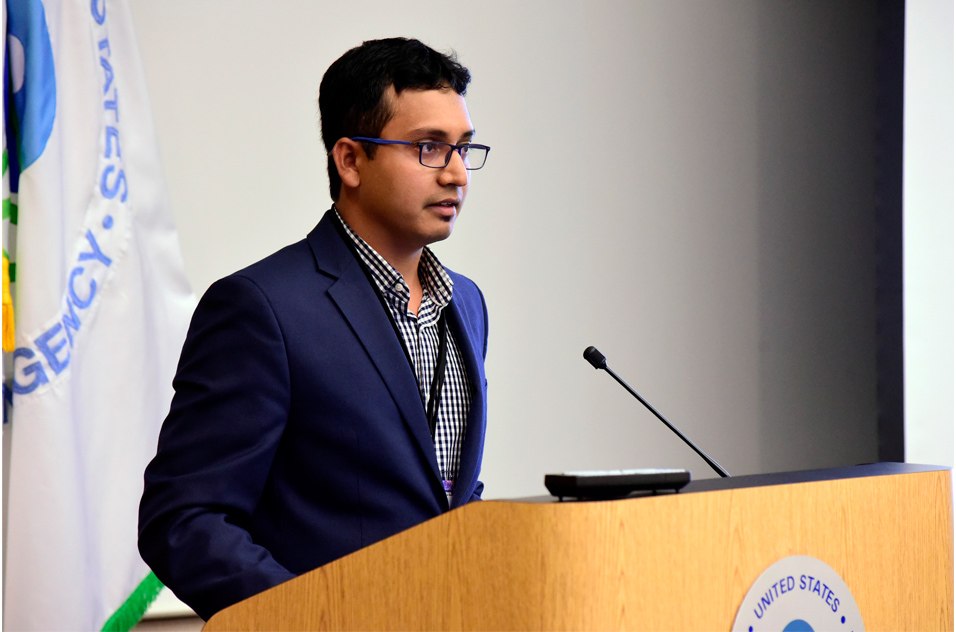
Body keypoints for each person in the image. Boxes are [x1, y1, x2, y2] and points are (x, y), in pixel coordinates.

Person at [138, 37, 491, 621]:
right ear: (350, 160)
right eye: (429, 148)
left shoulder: (467, 304)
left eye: (463, 148)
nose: (456, 174)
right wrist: (313, 616)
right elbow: (183, 519)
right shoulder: (261, 309)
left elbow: (444, 493)